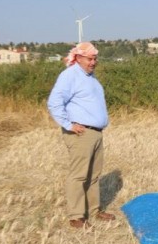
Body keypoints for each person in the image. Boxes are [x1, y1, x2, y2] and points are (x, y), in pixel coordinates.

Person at [47, 42, 114, 229]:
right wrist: (68, 124)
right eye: (89, 59)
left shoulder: (91, 78)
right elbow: (54, 103)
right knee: (79, 175)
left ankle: (94, 210)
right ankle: (76, 216)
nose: (93, 62)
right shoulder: (69, 76)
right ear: (78, 57)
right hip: (81, 133)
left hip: (96, 133)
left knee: (93, 175)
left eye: (95, 59)